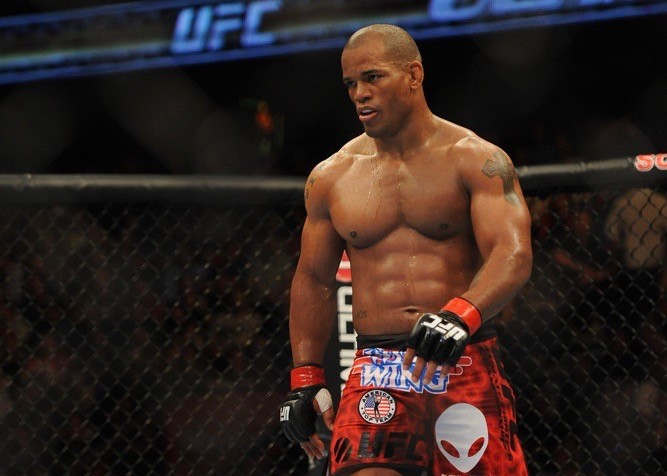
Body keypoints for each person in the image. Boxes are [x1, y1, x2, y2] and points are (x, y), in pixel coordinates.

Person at [280, 24, 533, 476]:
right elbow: (313, 278)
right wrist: (305, 378)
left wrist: (461, 314)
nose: (359, 93)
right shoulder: (332, 176)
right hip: (376, 368)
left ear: (414, 74)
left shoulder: (474, 158)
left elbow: (511, 254)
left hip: (461, 358)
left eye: (373, 77)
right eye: (350, 83)